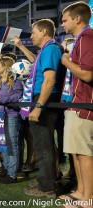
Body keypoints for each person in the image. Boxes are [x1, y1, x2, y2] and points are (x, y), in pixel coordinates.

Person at [12, 19, 65, 197]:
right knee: (45, 144)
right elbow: (35, 62)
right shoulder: (47, 49)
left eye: (33, 32)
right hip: (43, 99)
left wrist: (39, 106)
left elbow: (49, 80)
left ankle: (46, 187)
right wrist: (20, 46)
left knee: (43, 146)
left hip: (44, 100)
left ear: (44, 32)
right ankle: (49, 179)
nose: (31, 35)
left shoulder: (50, 49)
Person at [59, 2, 93, 205]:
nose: (62, 24)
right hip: (75, 102)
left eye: (65, 20)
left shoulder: (88, 36)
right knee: (77, 152)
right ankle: (81, 192)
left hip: (84, 104)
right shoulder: (82, 38)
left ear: (77, 18)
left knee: (84, 152)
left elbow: (88, 74)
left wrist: (66, 60)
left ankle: (88, 197)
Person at [0, 56, 23, 183]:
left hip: (11, 116)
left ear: (5, 66)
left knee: (12, 144)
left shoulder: (16, 81)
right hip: (0, 115)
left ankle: (12, 174)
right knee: (4, 143)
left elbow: (18, 97)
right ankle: (7, 169)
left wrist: (1, 99)